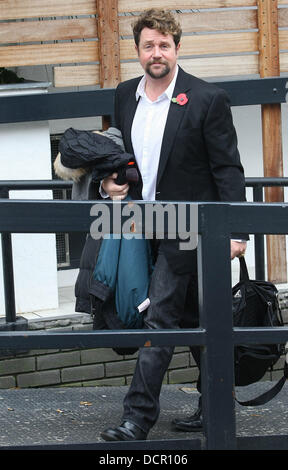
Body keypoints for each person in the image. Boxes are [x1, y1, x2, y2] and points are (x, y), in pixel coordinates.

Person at [99, 8, 248, 441]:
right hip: (141, 226)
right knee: (195, 315)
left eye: (165, 45)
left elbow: (228, 169)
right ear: (138, 50)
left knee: (161, 319)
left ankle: (136, 419)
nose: (157, 52)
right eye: (149, 45)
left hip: (188, 228)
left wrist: (236, 232)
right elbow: (125, 159)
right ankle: (214, 402)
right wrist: (112, 182)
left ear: (177, 48)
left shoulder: (206, 98)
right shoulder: (126, 95)